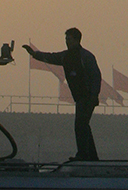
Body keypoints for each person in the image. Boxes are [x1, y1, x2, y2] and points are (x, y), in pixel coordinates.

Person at [23, 27, 102, 161]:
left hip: (87, 97)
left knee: (80, 125)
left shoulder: (86, 57)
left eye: (69, 39)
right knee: (84, 125)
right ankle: (91, 156)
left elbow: (96, 77)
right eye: (66, 39)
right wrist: (34, 54)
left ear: (77, 40)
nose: (67, 42)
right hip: (80, 98)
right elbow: (51, 57)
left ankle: (84, 155)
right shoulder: (65, 56)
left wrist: (94, 96)